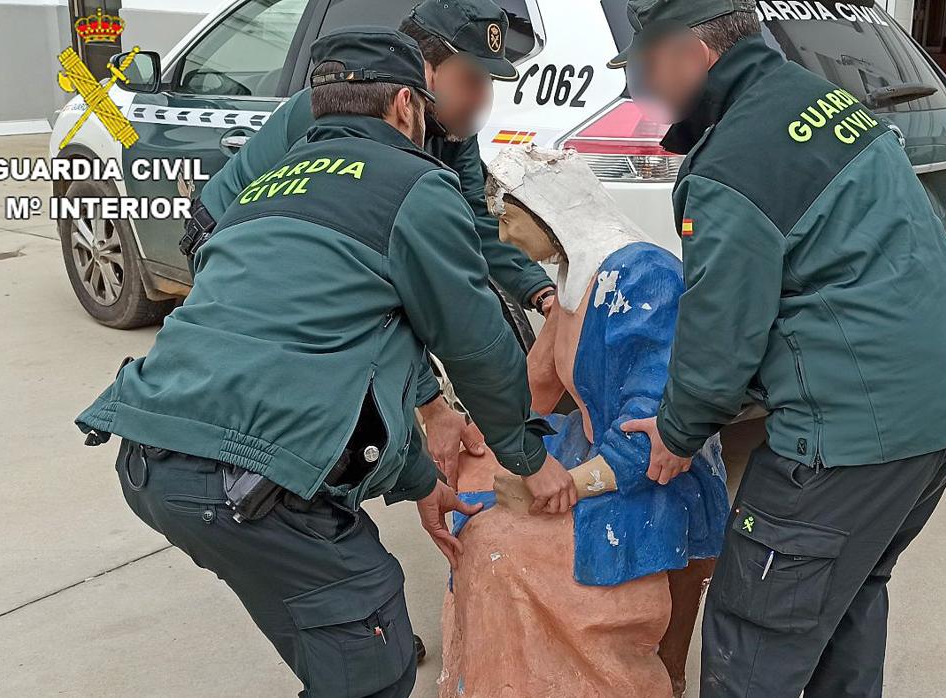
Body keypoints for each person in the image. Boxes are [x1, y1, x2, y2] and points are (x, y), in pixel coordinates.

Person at [76, 27, 575, 698]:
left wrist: (422, 480)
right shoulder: (417, 185)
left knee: (339, 629)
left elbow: (333, 360)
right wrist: (528, 458)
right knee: (374, 662)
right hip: (242, 480)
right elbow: (476, 343)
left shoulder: (261, 190)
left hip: (149, 455)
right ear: (406, 106)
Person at [607, 2, 946, 696]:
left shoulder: (732, 162)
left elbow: (721, 332)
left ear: (690, 53)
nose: (646, 90)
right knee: (846, 592)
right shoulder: (817, 98)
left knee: (757, 625)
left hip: (854, 429)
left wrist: (675, 432)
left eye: (646, 68)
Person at [188, 0, 557, 485]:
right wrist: (432, 404)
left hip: (308, 249)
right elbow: (370, 301)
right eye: (472, 79)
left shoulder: (448, 132)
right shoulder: (340, 116)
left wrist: (539, 291)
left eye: (489, 83)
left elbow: (471, 228)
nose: (482, 98)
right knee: (299, 401)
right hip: (227, 235)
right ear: (422, 71)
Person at [438, 147, 728, 698]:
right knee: (470, 479)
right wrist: (485, 431)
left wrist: (565, 484)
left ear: (549, 210)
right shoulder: (580, 274)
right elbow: (538, 385)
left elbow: (656, 434)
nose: (502, 238)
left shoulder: (643, 280)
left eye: (508, 218)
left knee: (496, 542)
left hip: (652, 477)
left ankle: (566, 678)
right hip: (590, 447)